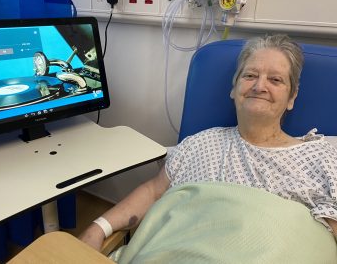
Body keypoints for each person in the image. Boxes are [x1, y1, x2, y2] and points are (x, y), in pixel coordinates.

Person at [79, 34, 337, 251]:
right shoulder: (199, 144)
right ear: (234, 89)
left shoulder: (322, 158)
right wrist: (98, 228)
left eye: (275, 79)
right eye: (250, 76)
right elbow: (153, 191)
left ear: (292, 97)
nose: (259, 86)